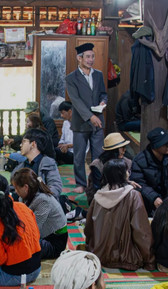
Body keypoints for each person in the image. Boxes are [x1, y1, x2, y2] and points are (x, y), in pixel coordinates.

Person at [85, 159, 153, 271]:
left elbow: (88, 229)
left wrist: (90, 248)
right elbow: (141, 232)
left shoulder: (97, 197)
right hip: (128, 258)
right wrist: (149, 260)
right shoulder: (133, 196)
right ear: (123, 174)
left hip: (99, 256)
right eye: (127, 170)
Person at [66, 43, 107, 194]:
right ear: (79, 58)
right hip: (81, 122)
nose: (91, 60)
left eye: (92, 56)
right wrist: (90, 117)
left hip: (98, 120)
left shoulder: (98, 75)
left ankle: (96, 183)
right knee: (79, 155)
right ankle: (81, 183)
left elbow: (103, 93)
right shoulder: (71, 78)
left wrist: (103, 101)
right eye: (88, 57)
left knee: (98, 155)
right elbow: (76, 101)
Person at [130, 128, 168, 215]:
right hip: (151, 202)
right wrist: (153, 197)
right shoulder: (140, 160)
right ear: (156, 146)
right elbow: (139, 183)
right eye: (165, 144)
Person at [11, 168, 68, 259]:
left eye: (16, 188)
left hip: (53, 243)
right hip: (43, 236)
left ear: (26, 187)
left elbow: (33, 231)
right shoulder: (26, 196)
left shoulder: (43, 200)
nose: (16, 192)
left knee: (18, 247)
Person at [12, 129, 62, 199]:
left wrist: (38, 198)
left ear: (33, 144)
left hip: (43, 205)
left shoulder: (47, 163)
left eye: (24, 142)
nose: (20, 145)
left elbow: (56, 188)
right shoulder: (21, 165)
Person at [87, 133, 132, 203]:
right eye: (122, 148)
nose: (124, 150)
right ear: (114, 150)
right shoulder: (97, 164)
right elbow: (97, 187)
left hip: (122, 195)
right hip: (101, 196)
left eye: (125, 147)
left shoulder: (128, 162)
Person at [56, 101, 75, 165]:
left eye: (63, 113)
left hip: (75, 154)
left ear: (70, 112)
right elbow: (63, 138)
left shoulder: (80, 124)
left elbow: (81, 144)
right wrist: (61, 144)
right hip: (65, 151)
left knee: (56, 152)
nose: (61, 115)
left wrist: (68, 146)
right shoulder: (65, 123)